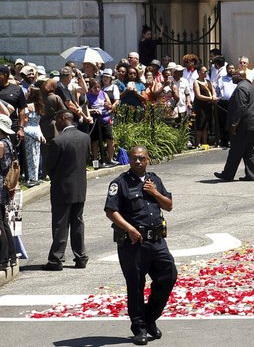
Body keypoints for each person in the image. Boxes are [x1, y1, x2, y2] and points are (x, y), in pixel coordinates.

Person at [105, 146, 177, 345]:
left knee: (169, 276)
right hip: (133, 243)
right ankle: (139, 328)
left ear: (148, 160)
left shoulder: (154, 180)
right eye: (135, 158)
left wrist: (155, 193)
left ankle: (149, 319)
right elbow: (111, 211)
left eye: (142, 158)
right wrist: (129, 228)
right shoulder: (120, 183)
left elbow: (168, 205)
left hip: (157, 241)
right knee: (136, 285)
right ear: (130, 160)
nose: (138, 162)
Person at [42, 110, 90, 270]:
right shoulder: (85, 137)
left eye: (57, 120)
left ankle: (56, 259)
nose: (55, 123)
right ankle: (80, 257)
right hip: (79, 187)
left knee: (60, 224)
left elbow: (49, 167)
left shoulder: (57, 141)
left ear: (64, 119)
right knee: (77, 223)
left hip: (62, 188)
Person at [214, 68, 254, 182]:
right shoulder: (248, 86)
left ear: (241, 77)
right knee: (248, 150)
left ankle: (228, 174)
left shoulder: (241, 88)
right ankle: (250, 175)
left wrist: (234, 124)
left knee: (235, 150)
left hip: (244, 125)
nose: (232, 76)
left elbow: (239, 108)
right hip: (252, 124)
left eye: (235, 74)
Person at [0, 115, 19, 274]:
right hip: (4, 185)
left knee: (1, 224)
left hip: (0, 185)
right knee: (3, 222)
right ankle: (11, 256)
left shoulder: (1, 144)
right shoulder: (9, 143)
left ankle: (4, 259)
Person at [192, 65, 216, 148]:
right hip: (200, 106)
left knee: (206, 125)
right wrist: (210, 98)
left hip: (208, 105)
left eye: (207, 71)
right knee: (200, 124)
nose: (206, 73)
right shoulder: (196, 82)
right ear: (199, 73)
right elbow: (198, 95)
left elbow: (213, 91)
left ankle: (205, 143)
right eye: (204, 71)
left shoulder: (208, 81)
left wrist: (214, 96)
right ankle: (197, 143)